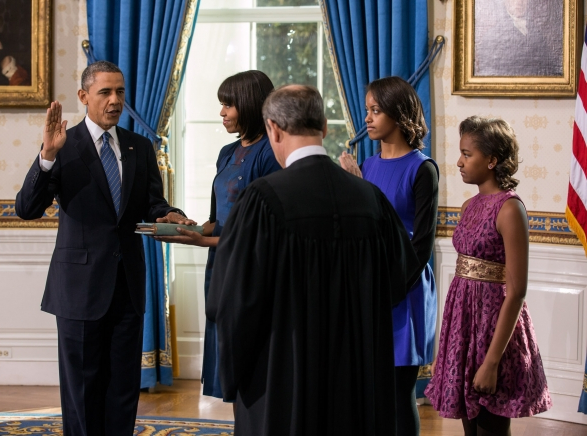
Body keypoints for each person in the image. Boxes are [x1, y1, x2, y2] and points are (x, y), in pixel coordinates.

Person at [206, 84, 421, 435]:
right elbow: (399, 279)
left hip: (283, 383)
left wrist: (236, 378)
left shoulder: (262, 200)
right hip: (356, 383)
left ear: (273, 129)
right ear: (323, 127)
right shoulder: (370, 199)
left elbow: (231, 300)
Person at [15, 60, 193, 436]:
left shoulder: (139, 146)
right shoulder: (63, 145)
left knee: (123, 388)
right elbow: (27, 208)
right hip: (79, 289)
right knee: (82, 389)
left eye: (120, 92)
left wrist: (171, 214)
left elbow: (153, 204)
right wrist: (46, 156)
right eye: (105, 92)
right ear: (84, 96)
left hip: (127, 286)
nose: (115, 100)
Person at [153, 70, 281, 402]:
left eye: (228, 104)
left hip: (252, 266)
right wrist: (183, 229)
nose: (222, 112)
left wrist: (201, 241)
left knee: (251, 355)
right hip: (221, 263)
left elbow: (265, 232)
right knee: (226, 343)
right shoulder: (227, 152)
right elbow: (216, 221)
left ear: (250, 105)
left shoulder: (271, 154)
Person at [424, 116, 551, 435]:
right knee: (471, 427)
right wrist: (447, 350)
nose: (459, 162)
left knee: (490, 428)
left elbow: (517, 291)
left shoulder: (510, 209)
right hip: (464, 326)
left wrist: (492, 361)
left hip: (493, 330)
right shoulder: (469, 206)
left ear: (492, 160)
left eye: (467, 154)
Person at [339, 75, 438, 436]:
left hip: (403, 288)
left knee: (398, 392)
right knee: (369, 392)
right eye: (367, 110)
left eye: (376, 110)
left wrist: (388, 287)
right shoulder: (367, 165)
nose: (367, 118)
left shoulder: (422, 168)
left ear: (399, 114)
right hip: (368, 284)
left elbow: (422, 244)